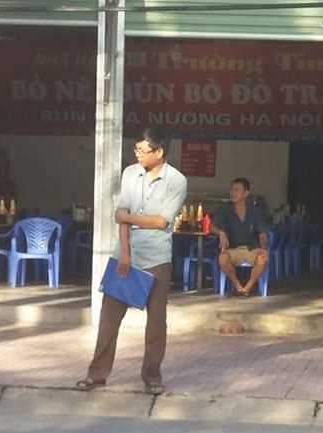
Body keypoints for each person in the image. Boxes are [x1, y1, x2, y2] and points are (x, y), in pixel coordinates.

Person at [76, 127, 187, 395]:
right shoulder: (129, 173)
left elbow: (161, 221)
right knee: (108, 318)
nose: (138, 155)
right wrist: (124, 251)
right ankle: (96, 374)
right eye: (135, 150)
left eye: (143, 151)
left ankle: (152, 376)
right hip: (125, 255)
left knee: (156, 321)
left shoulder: (176, 181)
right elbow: (121, 212)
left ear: (159, 152)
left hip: (156, 257)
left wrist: (127, 218)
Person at [213, 177, 269, 296]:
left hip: (251, 249)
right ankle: (238, 286)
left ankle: (247, 287)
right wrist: (220, 232)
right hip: (233, 249)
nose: (232, 193)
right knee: (222, 258)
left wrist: (263, 248)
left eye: (237, 190)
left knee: (263, 258)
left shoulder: (254, 210)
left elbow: (262, 233)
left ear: (246, 193)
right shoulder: (225, 208)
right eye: (232, 189)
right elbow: (212, 226)